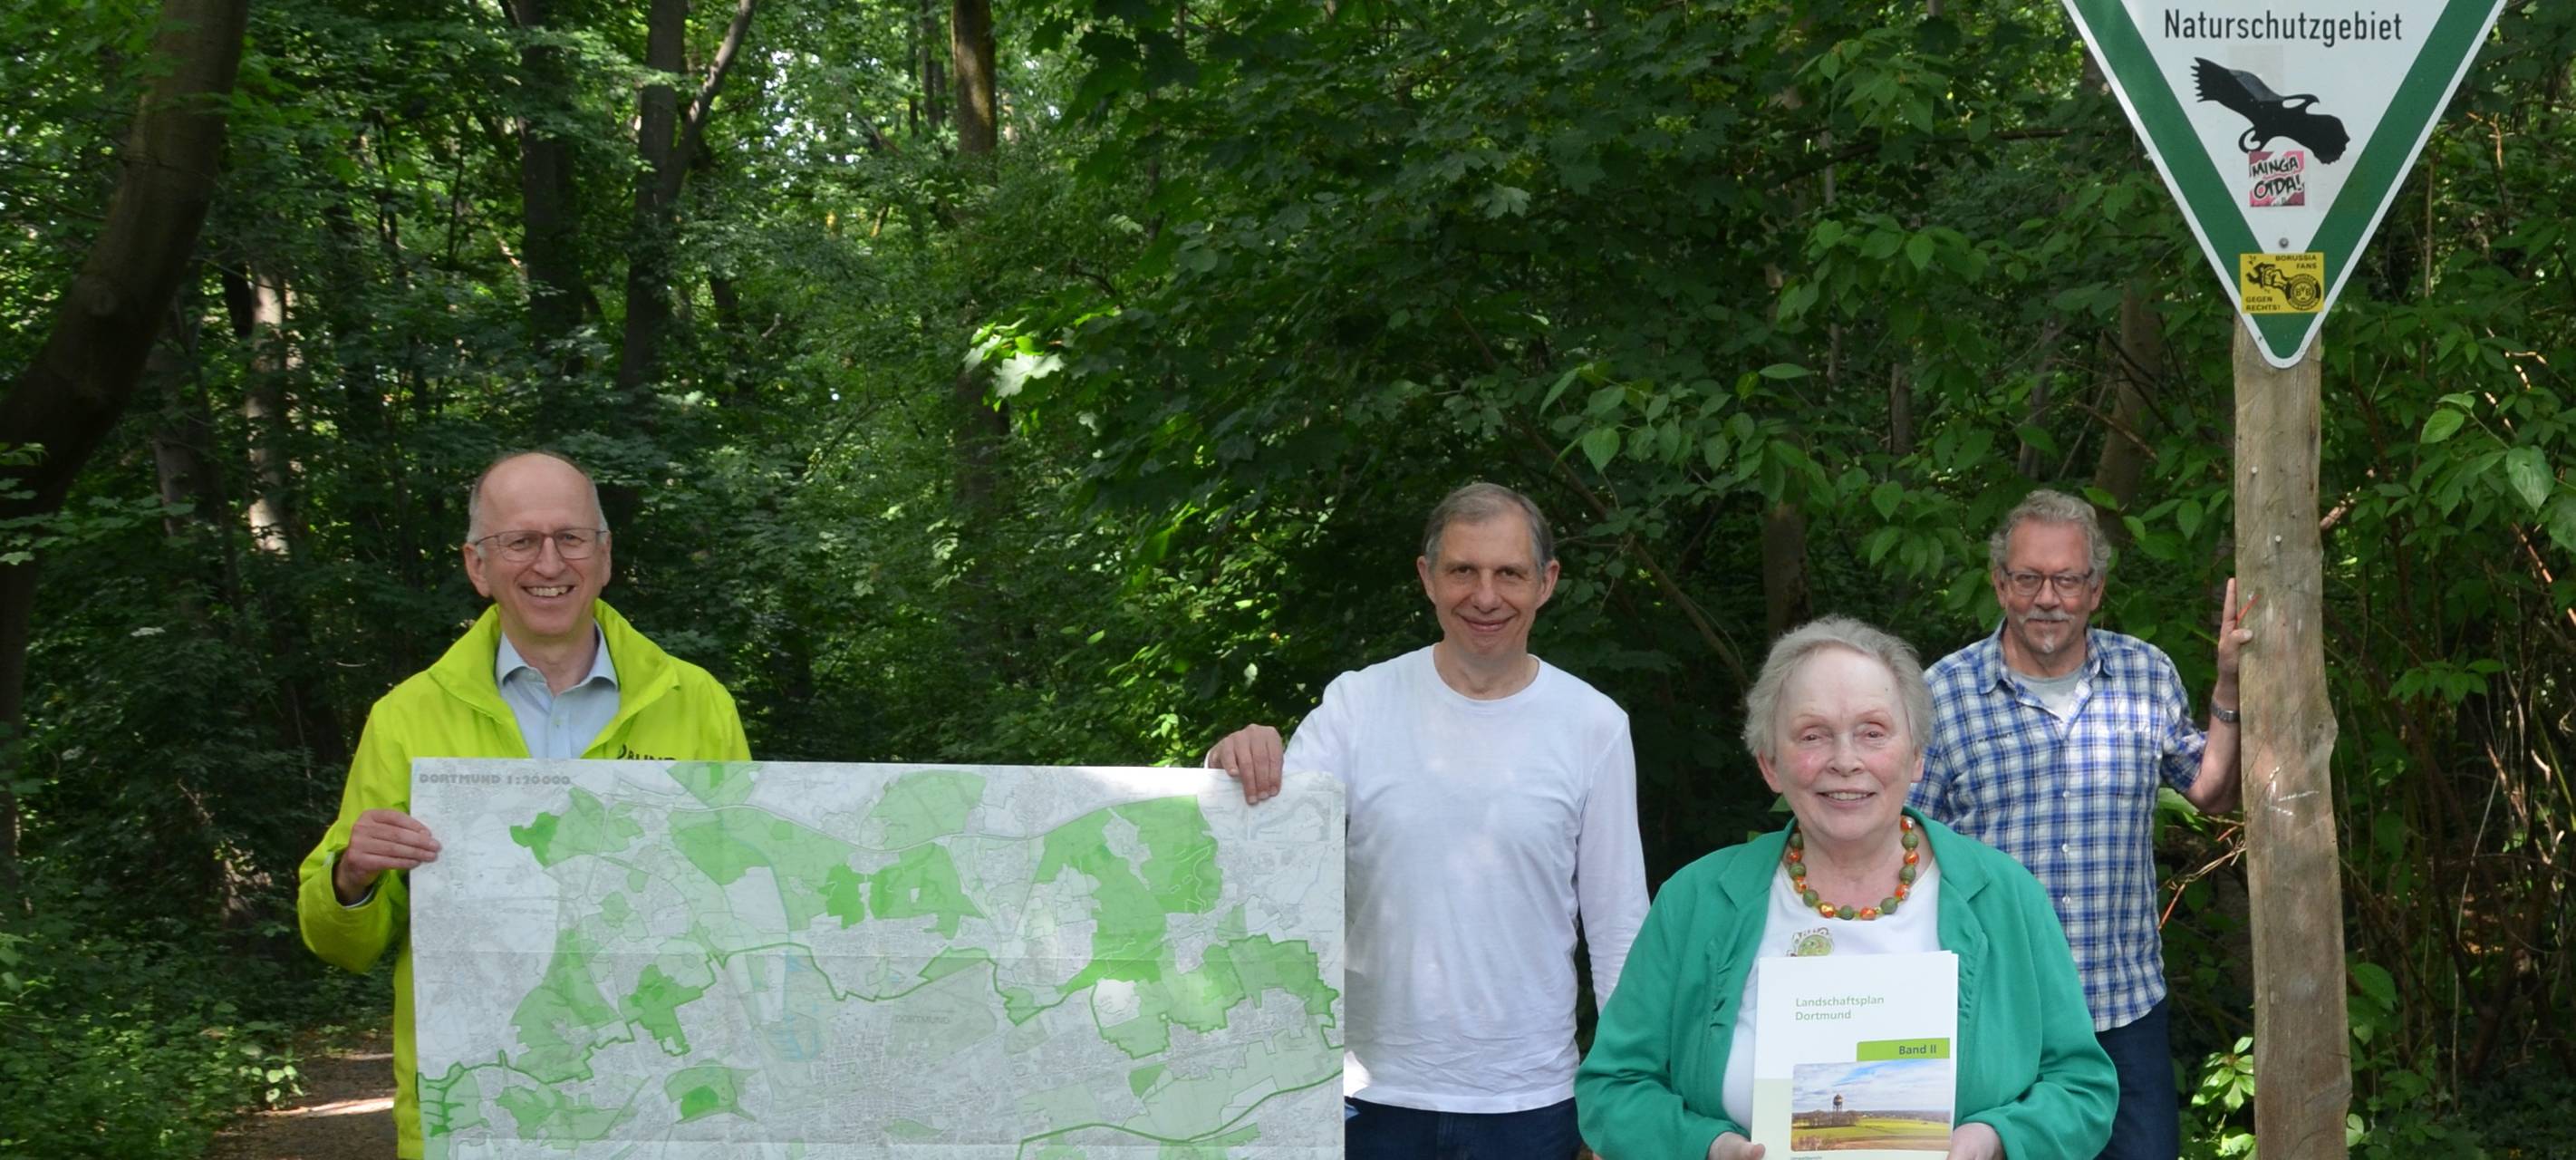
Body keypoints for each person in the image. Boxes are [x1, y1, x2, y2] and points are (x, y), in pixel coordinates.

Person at [294, 450, 750, 1160]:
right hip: (480, 1104)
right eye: (520, 541)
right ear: (478, 566)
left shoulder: (698, 702)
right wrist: (351, 878)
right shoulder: (406, 716)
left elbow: (746, 899)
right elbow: (344, 945)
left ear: (604, 558)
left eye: (571, 538)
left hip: (659, 1102)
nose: (549, 562)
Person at [1206, 482, 1648, 1160]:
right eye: (1462, 571)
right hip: (1367, 1095)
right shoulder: (1357, 706)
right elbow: (1267, 853)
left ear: (1546, 582)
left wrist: (1620, 1098)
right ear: (1426, 577)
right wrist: (1229, 761)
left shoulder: (1593, 726)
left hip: (1530, 1104)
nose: (1485, 596)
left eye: (1509, 573)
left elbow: (1618, 928)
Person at [1577, 616, 2116, 1160]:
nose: (1845, 760)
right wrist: (1707, 1147)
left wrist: (1997, 1139)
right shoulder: (1696, 901)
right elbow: (1611, 1090)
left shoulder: (2006, 898)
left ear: (1917, 757)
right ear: (1770, 764)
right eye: (1812, 735)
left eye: (1873, 732)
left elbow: (2082, 1089)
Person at [1909, 489, 2253, 1160]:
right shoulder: (1939, 695)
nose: (2047, 597)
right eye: (2028, 578)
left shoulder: (2144, 673)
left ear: (2094, 589)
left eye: (2066, 579)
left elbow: (2210, 790)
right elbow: (1901, 855)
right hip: (1997, 1020)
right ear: (1999, 583)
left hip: (2122, 1012)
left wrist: (2229, 688)